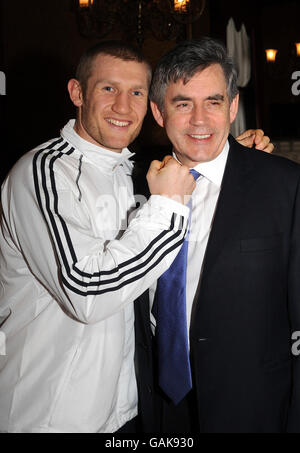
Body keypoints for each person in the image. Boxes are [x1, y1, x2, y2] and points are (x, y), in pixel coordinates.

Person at [0, 40, 272, 433]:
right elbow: (87, 292)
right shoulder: (43, 172)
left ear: (151, 107)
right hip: (49, 416)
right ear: (78, 93)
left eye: (137, 93)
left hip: (127, 414)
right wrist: (168, 204)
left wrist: (230, 158)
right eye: (108, 88)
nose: (123, 107)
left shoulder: (135, 172)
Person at [134, 37, 300, 433]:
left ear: (233, 107)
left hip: (253, 406)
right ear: (158, 111)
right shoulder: (130, 182)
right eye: (182, 103)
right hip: (154, 407)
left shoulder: (284, 185)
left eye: (213, 102)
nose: (200, 120)